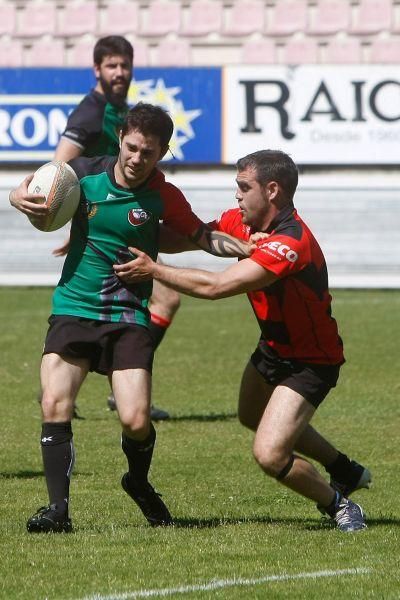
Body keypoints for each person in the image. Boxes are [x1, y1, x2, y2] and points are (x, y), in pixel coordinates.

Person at [9, 103, 252, 533]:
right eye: (133, 147)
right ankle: (58, 512)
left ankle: (137, 482)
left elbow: (203, 237)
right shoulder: (81, 173)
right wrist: (16, 197)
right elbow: (32, 187)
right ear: (121, 138)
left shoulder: (165, 195)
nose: (138, 158)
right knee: (54, 403)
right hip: (74, 308)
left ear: (162, 153)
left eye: (149, 153)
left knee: (136, 420)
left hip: (128, 315)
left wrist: (247, 249)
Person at [117, 149, 371, 533]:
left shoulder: (291, 243)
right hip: (273, 348)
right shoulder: (239, 222)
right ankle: (343, 468)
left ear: (272, 190)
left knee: (270, 453)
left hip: (311, 362)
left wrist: (153, 270)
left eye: (243, 187)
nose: (236, 195)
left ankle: (339, 504)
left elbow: (218, 286)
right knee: (251, 416)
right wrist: (118, 230)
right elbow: (188, 237)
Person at [54, 34, 178, 421]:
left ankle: (119, 383)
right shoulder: (89, 113)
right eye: (112, 65)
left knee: (154, 302)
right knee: (159, 300)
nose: (120, 72)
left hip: (118, 222)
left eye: (125, 65)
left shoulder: (118, 109)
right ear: (97, 69)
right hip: (98, 226)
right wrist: (72, 217)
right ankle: (117, 382)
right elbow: (59, 169)